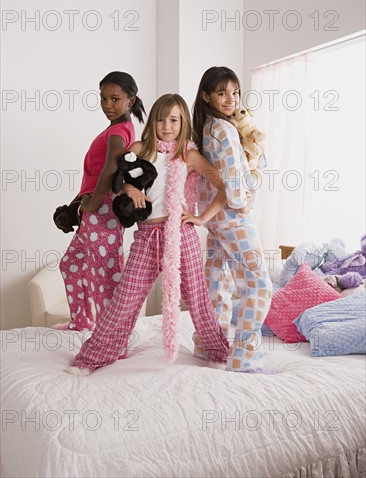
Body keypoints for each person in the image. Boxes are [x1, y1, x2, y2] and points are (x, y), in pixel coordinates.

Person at [66, 93, 229, 374]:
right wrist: (129, 189)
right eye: (161, 119)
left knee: (197, 298)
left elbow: (224, 187)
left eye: (174, 120)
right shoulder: (141, 148)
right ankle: (92, 358)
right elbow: (118, 180)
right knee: (124, 300)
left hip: (181, 234)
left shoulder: (188, 155)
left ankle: (219, 353)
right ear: (152, 121)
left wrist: (201, 217)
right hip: (147, 235)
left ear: (183, 123)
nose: (167, 125)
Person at [191, 66, 272, 373]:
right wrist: (246, 200)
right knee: (259, 286)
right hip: (234, 217)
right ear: (206, 96)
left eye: (235, 92)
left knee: (218, 282)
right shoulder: (224, 130)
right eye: (222, 93)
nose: (230, 99)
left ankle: (209, 348)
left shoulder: (206, 127)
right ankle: (244, 359)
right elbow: (234, 183)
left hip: (215, 220)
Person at [53, 71, 145, 331]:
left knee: (104, 278)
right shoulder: (115, 129)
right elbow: (93, 176)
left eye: (115, 99)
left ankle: (111, 336)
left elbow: (110, 169)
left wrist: (92, 204)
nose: (107, 104)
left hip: (102, 210)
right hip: (93, 208)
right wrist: (77, 204)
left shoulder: (119, 132)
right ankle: (81, 322)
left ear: (130, 99)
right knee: (71, 264)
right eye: (103, 98)